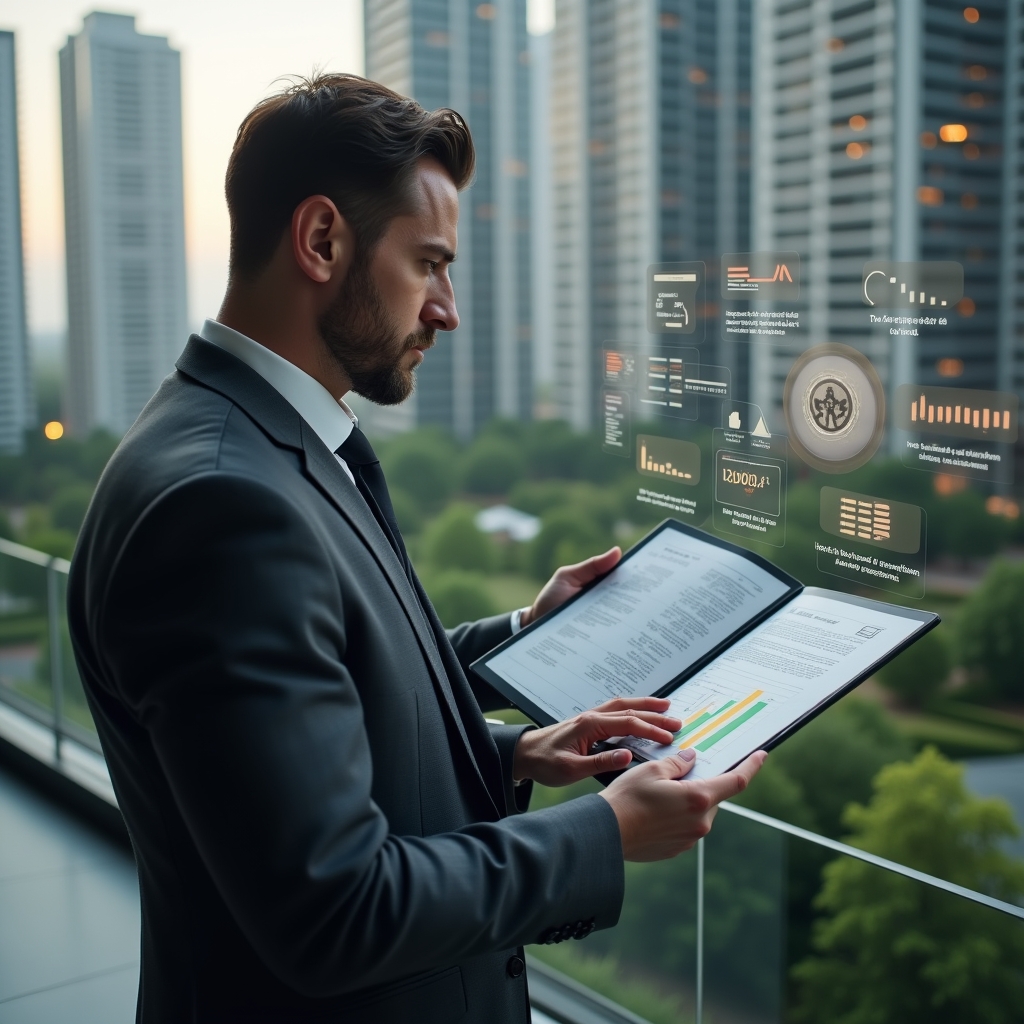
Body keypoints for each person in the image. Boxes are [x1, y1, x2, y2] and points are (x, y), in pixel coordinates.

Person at [67, 74, 764, 1024]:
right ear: (322, 240)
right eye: (429, 264)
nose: (447, 309)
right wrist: (606, 832)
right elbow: (335, 910)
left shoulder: (259, 440)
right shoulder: (221, 504)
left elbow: (327, 694)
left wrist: (521, 704)